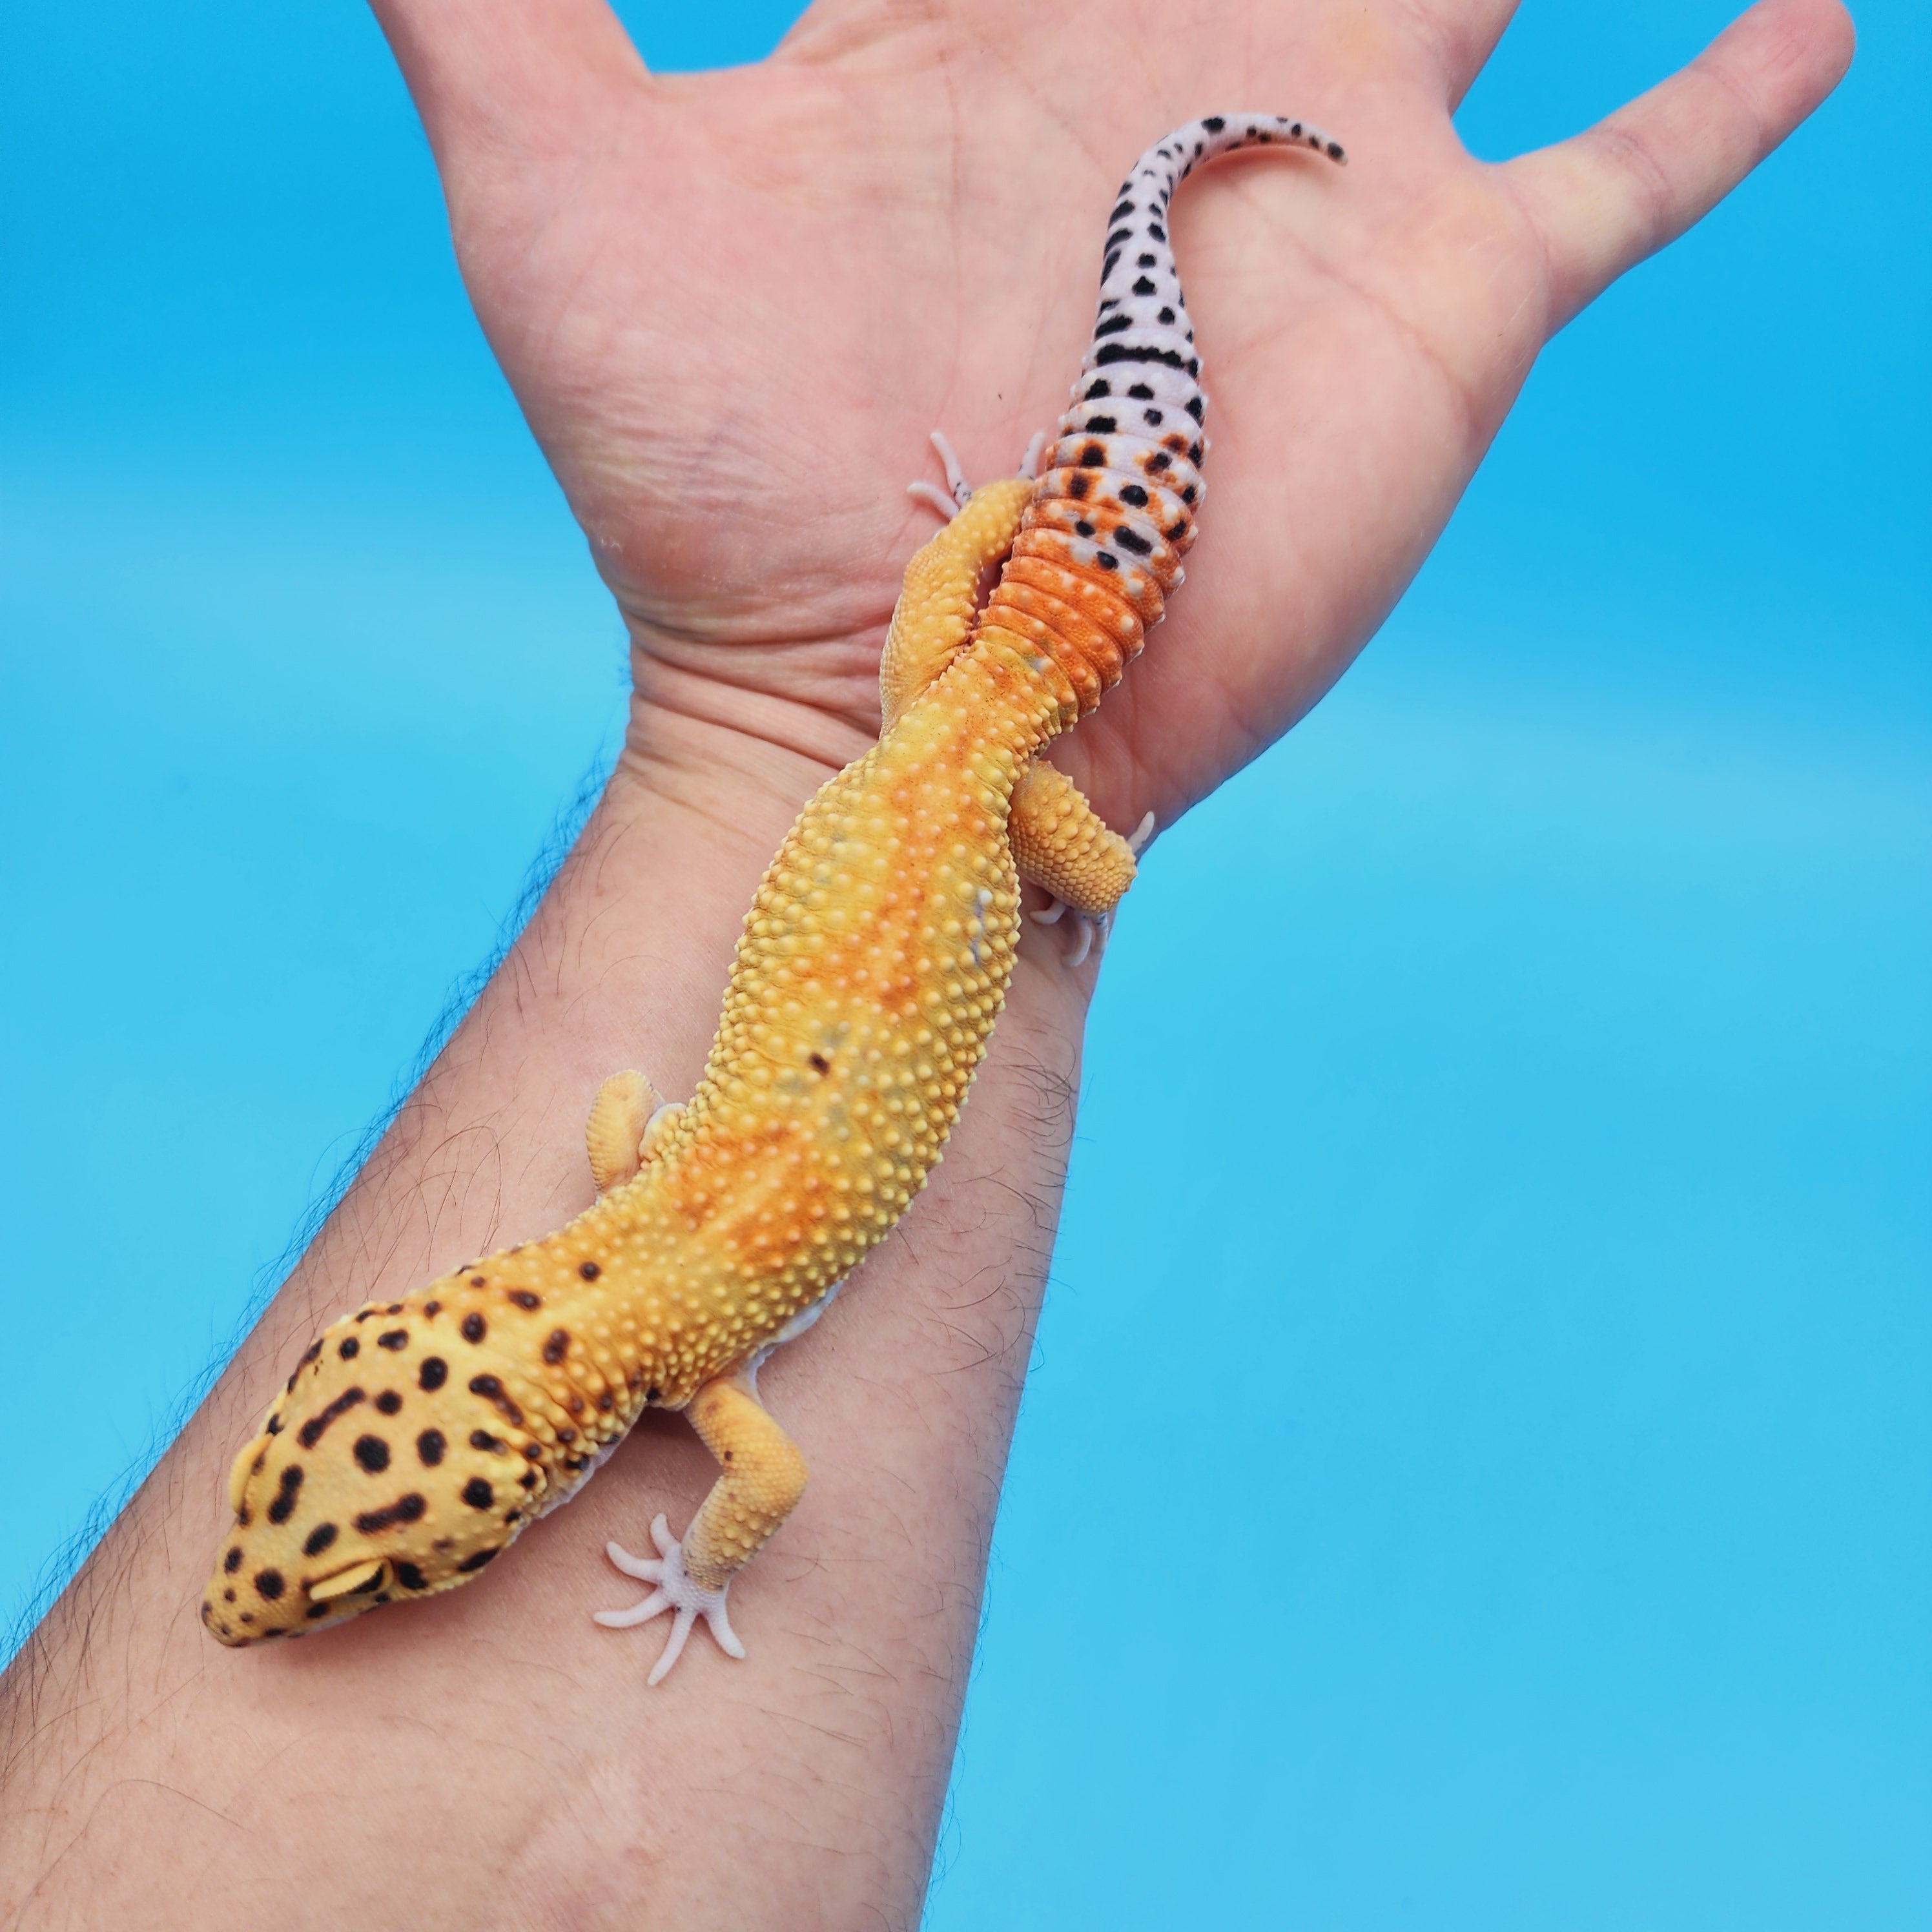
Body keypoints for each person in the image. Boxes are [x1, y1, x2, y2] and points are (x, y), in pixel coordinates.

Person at [0, 1, 1851, 1924]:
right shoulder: (638, 1258)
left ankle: (1137, 271)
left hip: (967, 779)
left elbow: (764, 1471)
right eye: (366, 1564)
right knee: (1046, 788)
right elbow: (652, 1153)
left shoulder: (694, 1362)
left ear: (498, 1440)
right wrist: (998, 644)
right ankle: (1104, 329)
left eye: (374, 1563)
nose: (315, 1587)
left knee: (1083, 859)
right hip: (939, 737)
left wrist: (706, 1565)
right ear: (429, 1330)